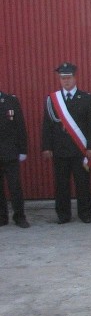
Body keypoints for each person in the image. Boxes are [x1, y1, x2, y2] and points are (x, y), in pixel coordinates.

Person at [41, 62, 91, 224]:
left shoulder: (86, 98)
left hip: (80, 150)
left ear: (75, 78)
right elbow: (47, 125)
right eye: (62, 78)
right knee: (61, 185)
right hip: (60, 149)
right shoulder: (52, 100)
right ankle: (63, 215)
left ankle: (86, 213)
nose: (66, 81)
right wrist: (46, 147)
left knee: (83, 183)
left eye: (68, 78)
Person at [0, 89, 30, 228]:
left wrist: (23, 150)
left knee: (15, 187)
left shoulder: (11, 100)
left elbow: (20, 126)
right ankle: (2, 217)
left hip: (10, 152)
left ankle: (19, 216)